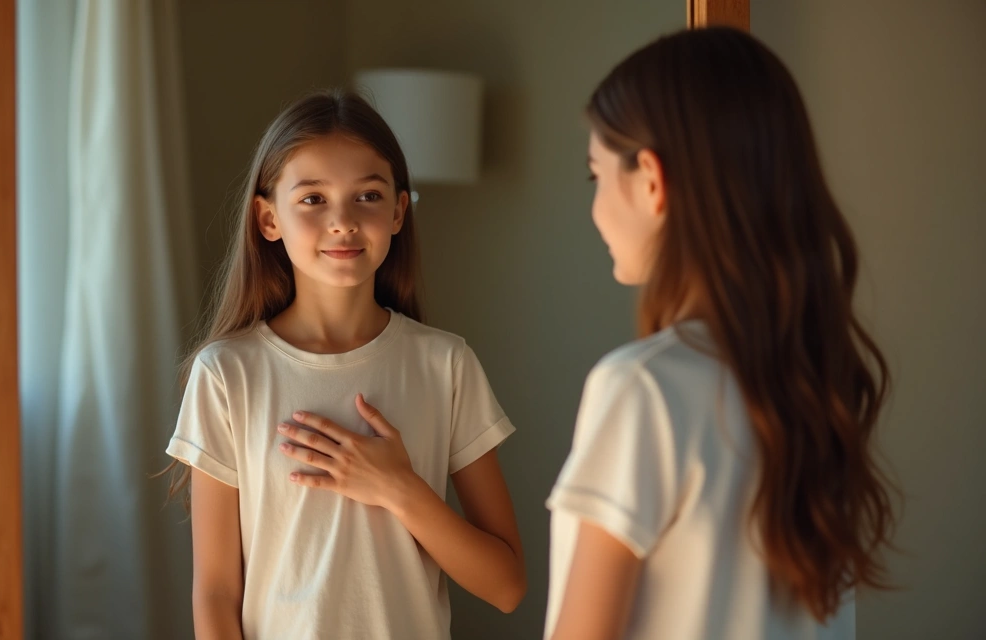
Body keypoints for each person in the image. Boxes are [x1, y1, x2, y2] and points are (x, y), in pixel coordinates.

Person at [545, 27, 896, 640]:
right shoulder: (817, 388)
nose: (596, 205)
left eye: (594, 174)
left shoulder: (644, 389)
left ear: (651, 180)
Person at [164, 89, 526, 639]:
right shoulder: (226, 375)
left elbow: (506, 586)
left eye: (368, 196)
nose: (343, 221)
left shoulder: (446, 364)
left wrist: (399, 488)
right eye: (312, 199)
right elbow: (215, 593)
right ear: (268, 219)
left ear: (399, 211)